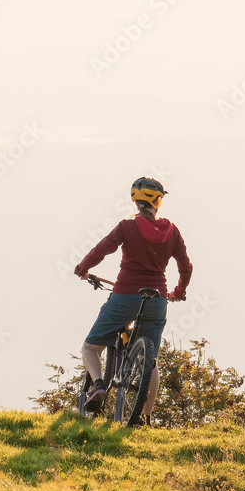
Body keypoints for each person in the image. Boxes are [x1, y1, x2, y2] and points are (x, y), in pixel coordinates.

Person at [74, 176, 193, 424]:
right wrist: (179, 292)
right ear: (158, 201)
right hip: (157, 300)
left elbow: (101, 250)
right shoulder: (173, 231)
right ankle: (145, 417)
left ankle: (97, 386)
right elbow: (186, 268)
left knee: (90, 348)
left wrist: (83, 268)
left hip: (124, 296)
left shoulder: (127, 227)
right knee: (150, 362)